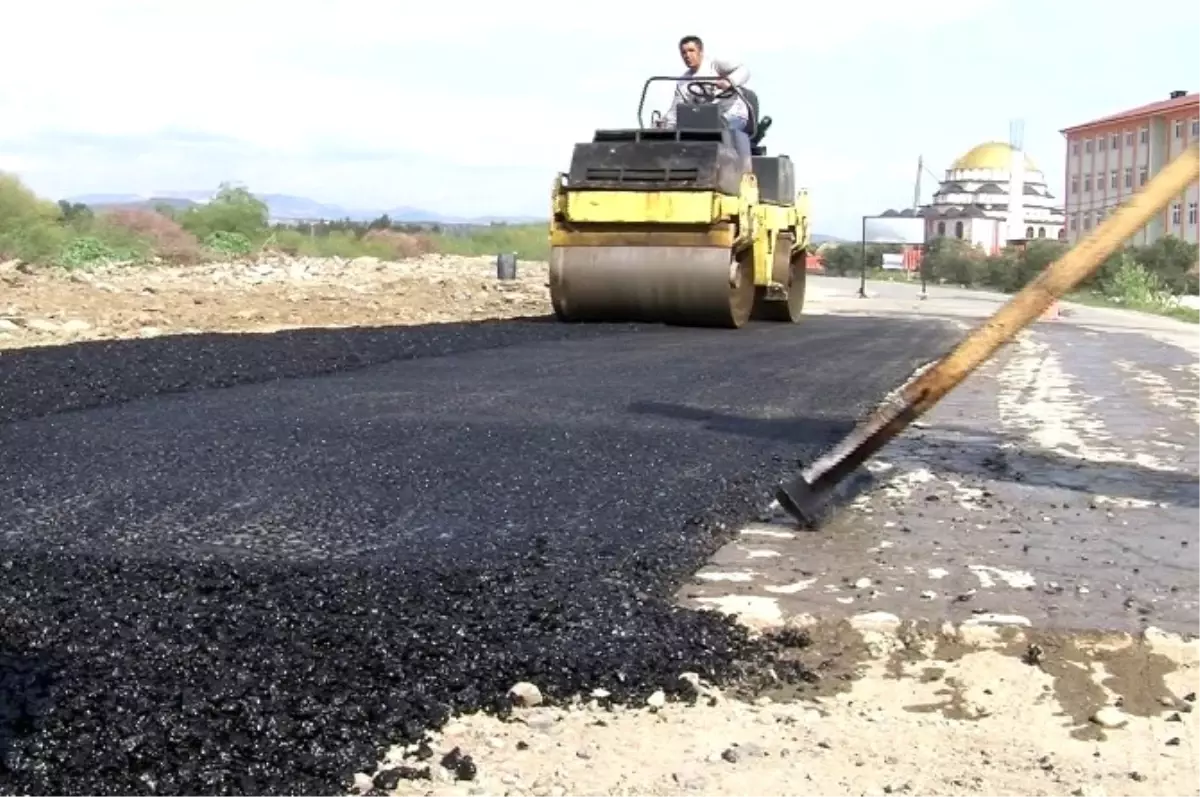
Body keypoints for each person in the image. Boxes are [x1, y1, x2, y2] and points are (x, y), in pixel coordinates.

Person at [661, 35, 753, 172]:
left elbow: (744, 71)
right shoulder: (683, 82)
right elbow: (676, 109)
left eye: (691, 51)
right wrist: (664, 125)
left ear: (701, 51)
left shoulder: (716, 65)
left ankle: (742, 172)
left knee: (725, 133)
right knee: (685, 136)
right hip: (706, 120)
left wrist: (730, 82)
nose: (687, 55)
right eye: (684, 53)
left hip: (732, 114)